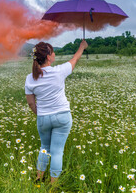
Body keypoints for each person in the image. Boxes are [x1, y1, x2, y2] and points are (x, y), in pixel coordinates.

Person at [25, 40, 88, 184]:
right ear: (48, 57)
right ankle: (53, 186)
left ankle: (38, 178)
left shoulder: (30, 78)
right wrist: (82, 47)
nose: (54, 54)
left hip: (43, 118)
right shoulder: (59, 71)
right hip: (62, 117)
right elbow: (75, 58)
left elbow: (30, 103)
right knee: (57, 151)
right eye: (53, 52)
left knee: (44, 148)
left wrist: (40, 113)